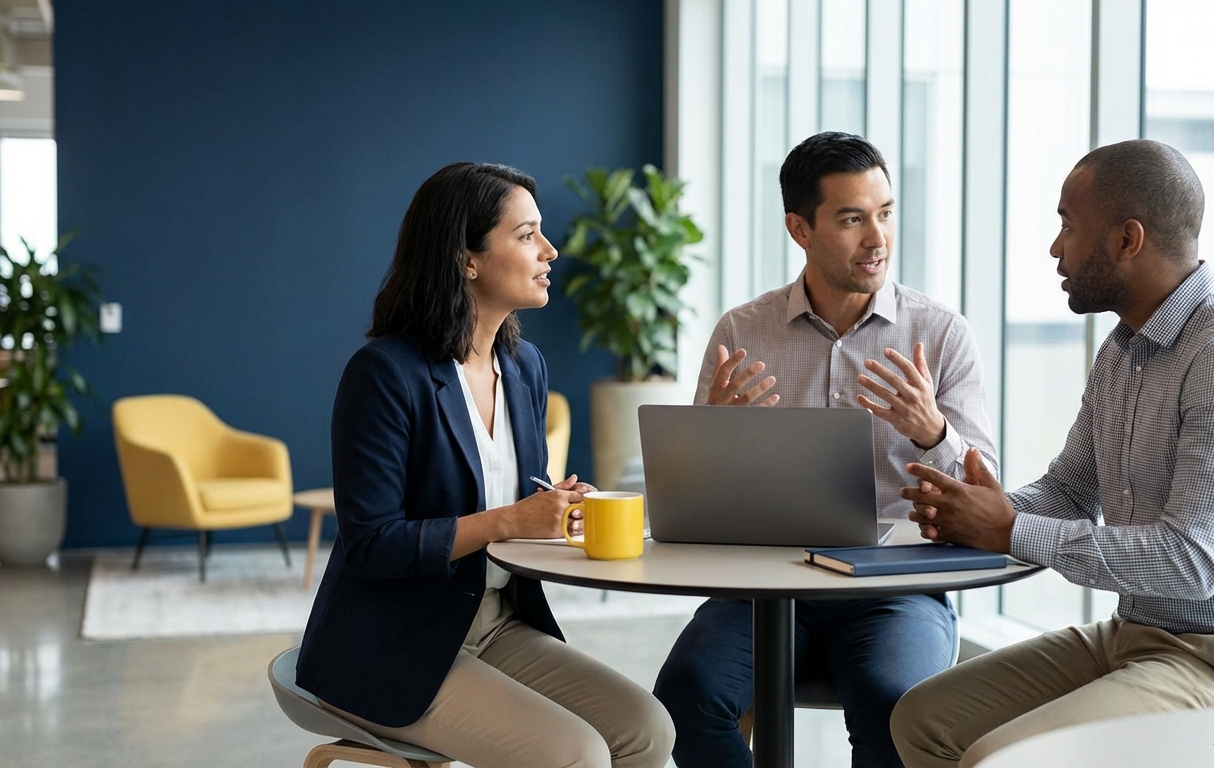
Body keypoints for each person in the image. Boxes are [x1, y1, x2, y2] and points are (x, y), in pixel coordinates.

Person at [889, 139, 1214, 767]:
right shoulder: (1122, 351)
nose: (1054, 248)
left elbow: (1193, 561)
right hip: (1142, 638)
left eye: (1067, 226)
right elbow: (1069, 492)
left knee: (1002, 758)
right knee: (923, 720)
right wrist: (983, 508)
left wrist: (1011, 528)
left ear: (1129, 239)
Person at [296, 162, 674, 767]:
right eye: (526, 235)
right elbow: (371, 544)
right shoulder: (384, 376)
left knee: (647, 729)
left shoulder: (524, 367)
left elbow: (522, 496)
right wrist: (507, 521)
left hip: (494, 622)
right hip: (390, 642)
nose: (549, 250)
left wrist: (559, 509)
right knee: (574, 755)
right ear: (465, 258)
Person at [652, 132, 998, 768]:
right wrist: (711, 437)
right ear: (799, 228)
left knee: (894, 701)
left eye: (885, 213)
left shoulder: (940, 333)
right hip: (760, 585)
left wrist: (933, 432)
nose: (877, 239)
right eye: (851, 219)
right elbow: (689, 499)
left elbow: (989, 496)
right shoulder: (741, 331)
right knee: (685, 694)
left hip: (897, 591)